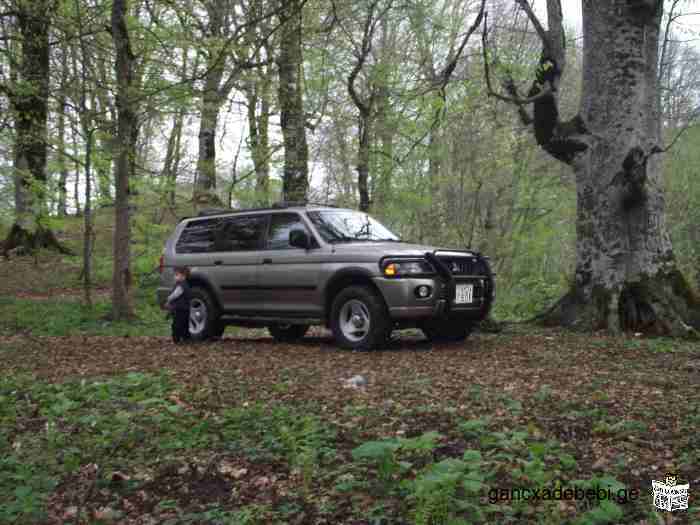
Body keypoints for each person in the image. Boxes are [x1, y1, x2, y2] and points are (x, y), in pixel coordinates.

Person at [166, 266, 192, 344]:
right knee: (185, 324)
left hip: (179, 309)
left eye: (177, 275)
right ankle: (186, 338)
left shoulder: (181, 285)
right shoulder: (186, 285)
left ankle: (176, 339)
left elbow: (175, 295)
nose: (175, 277)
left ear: (183, 276)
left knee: (176, 325)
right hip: (186, 309)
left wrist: (168, 299)